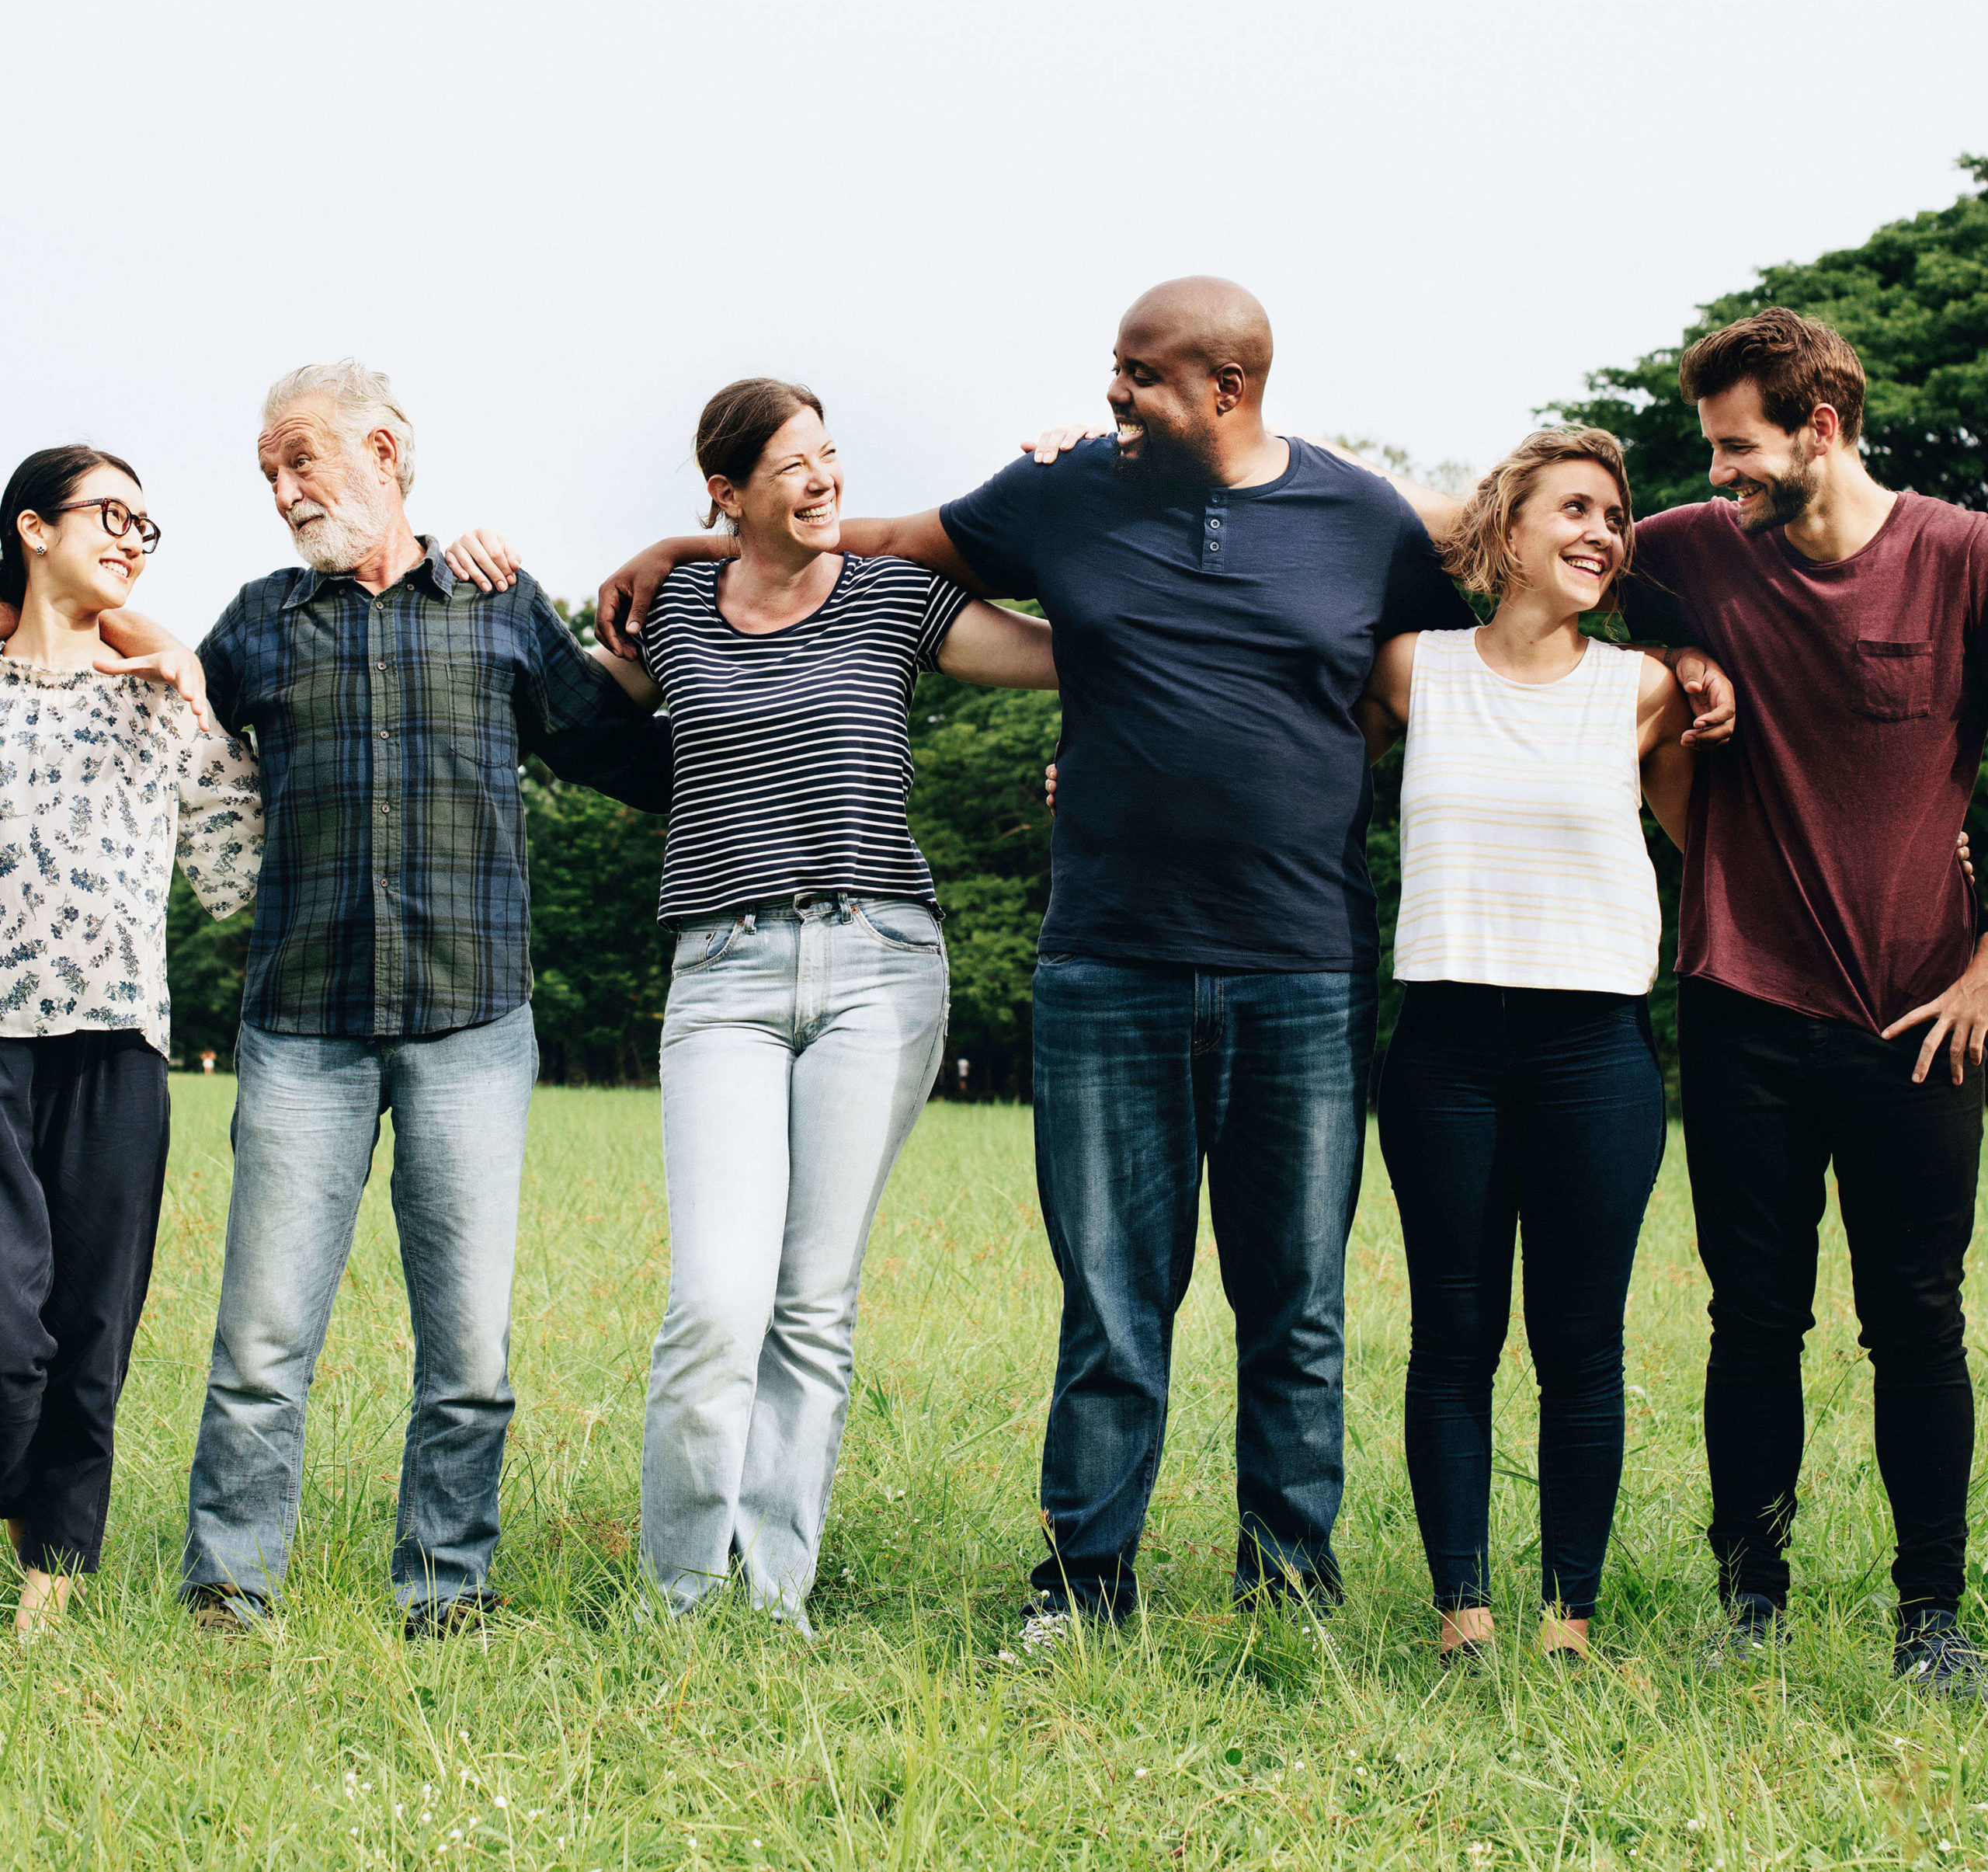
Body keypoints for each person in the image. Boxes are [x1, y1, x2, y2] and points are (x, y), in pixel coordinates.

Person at [582, 280, 1507, 1639]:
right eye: (1116, 368)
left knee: (1297, 1301)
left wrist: (1680, 685)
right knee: (1113, 1304)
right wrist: (685, 540)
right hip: (1106, 963)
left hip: (1302, 961)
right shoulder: (1066, 493)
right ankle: (1084, 1587)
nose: (1114, 392)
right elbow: (874, 535)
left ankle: (1291, 1589)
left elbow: (1499, 605)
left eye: (1142, 374)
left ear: (1228, 391)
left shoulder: (1359, 520)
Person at [1354, 308, 1988, 1696]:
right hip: (1740, 1004)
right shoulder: (1692, 558)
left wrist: (1985, 963)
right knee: (1752, 1320)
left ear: (1820, 430)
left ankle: (1933, 1615)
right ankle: (1750, 1600)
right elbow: (1458, 521)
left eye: (1735, 449)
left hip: (1919, 1014)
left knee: (1917, 1317)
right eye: (1706, 456)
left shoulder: (1961, 556)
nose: (1713, 482)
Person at [545, 378, 1055, 1628]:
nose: (824, 480)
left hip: (880, 963)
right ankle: (684, 1594)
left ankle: (773, 1593)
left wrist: (1076, 504)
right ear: (727, 493)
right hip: (721, 972)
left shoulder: (893, 597)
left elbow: (1062, 653)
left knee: (812, 1299)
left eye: (831, 456)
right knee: (718, 1296)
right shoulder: (671, 610)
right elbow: (566, 716)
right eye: (794, 465)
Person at [176, 361, 670, 1637]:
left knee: (468, 1354)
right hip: (300, 1027)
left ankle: (446, 1592)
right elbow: (165, 735)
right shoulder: (258, 623)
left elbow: (629, 753)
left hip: (471, 1027)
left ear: (385, 451)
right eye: (270, 473)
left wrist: (732, 649)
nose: (284, 491)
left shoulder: (501, 610)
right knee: (261, 1343)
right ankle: (229, 1598)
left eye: (302, 461)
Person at [1359, 429, 1691, 1666]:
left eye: (1617, 515)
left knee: (1580, 1337)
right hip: (1444, 1043)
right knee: (1454, 1330)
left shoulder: (1647, 689)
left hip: (1594, 1048)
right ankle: (1462, 1607)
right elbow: (1291, 770)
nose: (1605, 531)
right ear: (1504, 532)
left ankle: (1567, 1616)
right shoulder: (1413, 668)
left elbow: (1731, 849)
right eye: (1576, 508)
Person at [0, 446, 260, 1638]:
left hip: (120, 1046)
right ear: (32, 526)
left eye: (147, 528)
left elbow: (237, 875)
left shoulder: (162, 704)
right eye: (111, 515)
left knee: (92, 1330)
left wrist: (186, 673)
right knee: (8, 1337)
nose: (132, 539)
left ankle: (46, 1602)